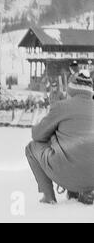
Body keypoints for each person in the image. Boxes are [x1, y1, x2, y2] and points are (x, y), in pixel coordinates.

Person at [25, 72, 94, 205]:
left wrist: (51, 135)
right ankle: (86, 190)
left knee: (31, 148)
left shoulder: (61, 106)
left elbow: (38, 135)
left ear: (71, 89)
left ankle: (48, 195)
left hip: (66, 173)